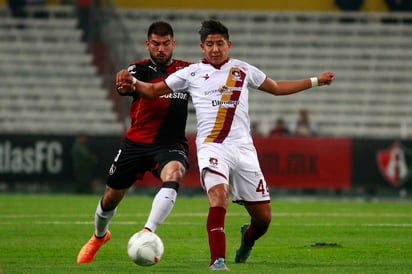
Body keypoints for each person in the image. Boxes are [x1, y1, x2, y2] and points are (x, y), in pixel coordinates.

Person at [116, 19, 335, 270]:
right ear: (202, 48)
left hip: (243, 149)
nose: (215, 49)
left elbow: (276, 87)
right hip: (212, 147)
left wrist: (315, 80)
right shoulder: (191, 73)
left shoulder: (243, 69)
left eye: (220, 43)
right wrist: (133, 84)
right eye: (209, 44)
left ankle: (247, 239)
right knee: (219, 196)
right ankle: (217, 261)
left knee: (263, 220)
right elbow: (154, 91)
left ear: (228, 45)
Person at [76, 21, 192, 264]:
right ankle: (99, 236)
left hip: (170, 144)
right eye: (156, 44)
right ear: (147, 44)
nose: (161, 49)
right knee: (110, 198)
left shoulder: (188, 70)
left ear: (174, 44)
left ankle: (147, 231)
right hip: (136, 144)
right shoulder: (138, 70)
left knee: (175, 173)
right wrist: (124, 83)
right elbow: (125, 86)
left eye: (166, 44)